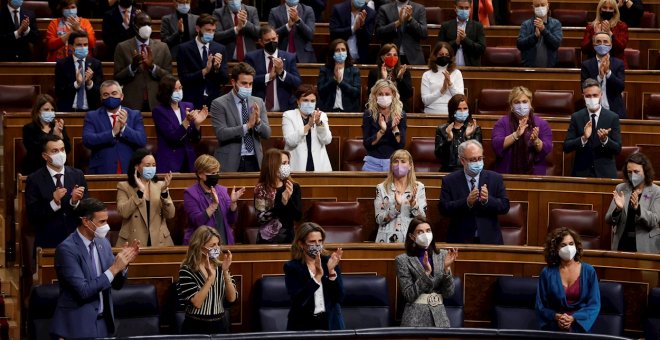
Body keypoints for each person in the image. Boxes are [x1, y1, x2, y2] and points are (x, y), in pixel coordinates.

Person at [50, 198, 139, 339]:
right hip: (76, 327)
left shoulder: (103, 243)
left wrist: (123, 266)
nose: (107, 226)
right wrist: (115, 268)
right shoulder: (66, 250)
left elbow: (116, 284)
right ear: (86, 221)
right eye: (102, 222)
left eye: (107, 220)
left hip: (104, 325)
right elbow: (83, 291)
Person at [439, 140, 510, 244]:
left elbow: (505, 206)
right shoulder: (449, 180)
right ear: (462, 160)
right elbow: (443, 209)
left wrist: (487, 200)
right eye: (473, 160)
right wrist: (466, 202)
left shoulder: (495, 178)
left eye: (480, 158)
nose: (477, 162)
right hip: (460, 240)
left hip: (490, 240)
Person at [25, 134, 87, 250]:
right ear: (45, 156)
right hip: (48, 241)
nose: (60, 154)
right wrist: (54, 202)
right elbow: (33, 216)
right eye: (55, 151)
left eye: (62, 150)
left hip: (76, 240)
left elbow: (87, 209)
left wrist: (74, 202)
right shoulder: (34, 180)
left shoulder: (77, 175)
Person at [536, 227, 601, 332]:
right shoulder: (547, 273)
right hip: (554, 325)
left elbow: (594, 304)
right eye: (563, 245)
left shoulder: (589, 271)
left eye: (571, 244)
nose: (568, 248)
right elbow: (541, 306)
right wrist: (557, 317)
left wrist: (573, 318)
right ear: (556, 249)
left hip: (580, 325)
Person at [395, 218, 458, 327]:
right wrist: (426, 273)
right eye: (420, 232)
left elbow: (449, 293)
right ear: (412, 236)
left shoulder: (442, 255)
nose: (425, 235)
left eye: (428, 231)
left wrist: (446, 269)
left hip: (439, 318)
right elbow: (409, 295)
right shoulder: (403, 260)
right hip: (414, 318)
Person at [210, 62, 271, 172]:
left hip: (255, 161)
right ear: (233, 82)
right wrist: (247, 126)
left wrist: (257, 122)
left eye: (250, 84)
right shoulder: (219, 103)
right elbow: (221, 133)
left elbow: (267, 134)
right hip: (229, 161)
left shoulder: (258, 102)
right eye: (244, 83)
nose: (248, 87)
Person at [284, 222, 345, 330]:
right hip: (303, 325)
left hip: (331, 324)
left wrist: (331, 272)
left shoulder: (330, 262)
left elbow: (339, 297)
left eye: (320, 241)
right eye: (312, 241)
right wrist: (317, 276)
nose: (317, 245)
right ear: (301, 244)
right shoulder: (292, 267)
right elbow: (298, 300)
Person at [177, 226, 237, 334]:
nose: (217, 248)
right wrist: (210, 279)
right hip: (196, 326)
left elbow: (232, 298)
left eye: (218, 244)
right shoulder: (187, 270)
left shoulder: (221, 267)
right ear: (199, 246)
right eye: (212, 245)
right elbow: (196, 303)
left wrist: (225, 271)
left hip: (220, 325)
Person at [82, 80, 147, 174]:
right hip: (102, 170)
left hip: (130, 170)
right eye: (106, 94)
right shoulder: (92, 116)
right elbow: (88, 140)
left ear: (121, 96)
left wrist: (124, 128)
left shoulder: (134, 115)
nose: (110, 97)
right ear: (101, 98)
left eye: (114, 93)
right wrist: (113, 132)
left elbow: (142, 140)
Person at [563, 78, 621, 178]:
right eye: (588, 96)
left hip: (605, 174)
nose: (592, 98)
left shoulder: (612, 117)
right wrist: (584, 138)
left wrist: (605, 140)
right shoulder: (577, 117)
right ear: (583, 97)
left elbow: (617, 149)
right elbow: (566, 147)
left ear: (601, 95)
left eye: (595, 95)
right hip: (582, 173)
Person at [114, 12, 173, 112]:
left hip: (156, 101)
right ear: (135, 26)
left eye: (149, 24)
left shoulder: (163, 47)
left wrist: (152, 67)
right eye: (142, 24)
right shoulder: (122, 47)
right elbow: (117, 77)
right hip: (132, 102)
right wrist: (132, 67)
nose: (146, 27)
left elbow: (169, 77)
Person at [116, 149, 175, 247]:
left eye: (154, 165)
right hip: (133, 241)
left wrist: (164, 193)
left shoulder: (161, 185)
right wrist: (140, 192)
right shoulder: (124, 186)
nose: (151, 168)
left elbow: (170, 214)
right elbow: (124, 212)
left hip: (159, 241)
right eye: (147, 165)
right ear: (137, 167)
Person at [184, 155, 245, 245]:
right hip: (201, 244)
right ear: (200, 174)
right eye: (212, 173)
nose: (216, 176)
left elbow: (232, 220)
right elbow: (197, 221)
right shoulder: (191, 194)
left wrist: (233, 203)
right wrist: (213, 205)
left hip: (224, 241)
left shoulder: (222, 190)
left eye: (217, 173)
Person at [605, 153, 660, 253]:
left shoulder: (656, 191)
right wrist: (618, 210)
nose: (633, 176)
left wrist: (638, 209)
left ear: (645, 171)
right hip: (622, 243)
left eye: (636, 172)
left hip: (646, 246)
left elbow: (654, 220)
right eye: (629, 172)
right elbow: (609, 220)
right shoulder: (620, 188)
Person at [492, 86, 553, 175]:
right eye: (517, 102)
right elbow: (496, 144)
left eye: (524, 102)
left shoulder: (542, 124)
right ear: (511, 105)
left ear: (530, 103)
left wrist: (536, 141)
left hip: (535, 173)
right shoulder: (502, 123)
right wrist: (515, 135)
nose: (521, 105)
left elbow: (546, 148)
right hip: (507, 172)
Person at [153, 75, 206, 173]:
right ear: (166, 92)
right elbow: (173, 138)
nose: (179, 92)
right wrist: (186, 121)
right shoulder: (159, 111)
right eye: (175, 89)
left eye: (180, 88)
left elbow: (195, 139)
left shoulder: (188, 106)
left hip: (188, 160)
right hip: (170, 161)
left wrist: (197, 125)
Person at [245, 24, 302, 112]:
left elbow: (297, 82)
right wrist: (268, 77)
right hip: (259, 109)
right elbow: (248, 80)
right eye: (267, 40)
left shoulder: (289, 57)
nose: (271, 42)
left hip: (284, 109)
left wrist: (282, 73)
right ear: (261, 41)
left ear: (277, 38)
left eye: (273, 39)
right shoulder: (251, 57)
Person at [375, 149, 427, 243]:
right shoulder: (382, 188)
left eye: (403, 161)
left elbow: (422, 218)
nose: (399, 165)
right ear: (391, 166)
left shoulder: (419, 187)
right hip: (387, 240)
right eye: (396, 161)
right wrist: (396, 208)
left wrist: (413, 204)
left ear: (410, 166)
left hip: (411, 239)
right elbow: (379, 219)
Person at [177, 14, 229, 108]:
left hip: (214, 100)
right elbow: (183, 78)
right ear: (198, 29)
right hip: (192, 99)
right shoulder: (184, 49)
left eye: (213, 31)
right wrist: (204, 71)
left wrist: (217, 69)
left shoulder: (220, 49)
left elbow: (224, 80)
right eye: (207, 30)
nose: (210, 33)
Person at [254, 149, 302, 244]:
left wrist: (289, 200)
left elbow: (298, 216)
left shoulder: (294, 186)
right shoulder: (261, 189)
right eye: (283, 163)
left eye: (288, 163)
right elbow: (261, 218)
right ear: (273, 165)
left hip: (289, 239)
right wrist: (282, 203)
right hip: (267, 240)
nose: (287, 166)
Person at [282, 85, 333, 172]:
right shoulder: (288, 115)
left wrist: (319, 124)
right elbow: (290, 141)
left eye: (312, 101)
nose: (309, 104)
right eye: (305, 100)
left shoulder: (321, 115)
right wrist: (308, 125)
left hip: (320, 168)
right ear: (298, 101)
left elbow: (327, 140)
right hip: (296, 167)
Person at [362, 79, 407, 171]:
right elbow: (367, 144)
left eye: (387, 94)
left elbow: (401, 144)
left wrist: (395, 128)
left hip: (393, 163)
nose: (384, 97)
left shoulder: (400, 115)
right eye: (380, 94)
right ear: (375, 95)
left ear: (393, 95)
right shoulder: (369, 114)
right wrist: (382, 131)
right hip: (372, 163)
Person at [22, 95, 72, 176]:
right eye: (46, 109)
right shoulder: (29, 129)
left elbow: (68, 149)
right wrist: (54, 136)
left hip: (58, 168)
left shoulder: (58, 126)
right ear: (38, 111)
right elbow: (34, 150)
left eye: (52, 110)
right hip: (37, 168)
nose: (50, 112)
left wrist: (60, 136)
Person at [54, 30, 103, 113]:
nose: (83, 47)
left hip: (91, 112)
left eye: (85, 45)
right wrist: (76, 84)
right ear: (70, 47)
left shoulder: (96, 64)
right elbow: (60, 92)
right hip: (69, 111)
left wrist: (89, 83)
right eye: (79, 45)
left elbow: (100, 93)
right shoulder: (62, 64)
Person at [580, 31, 626, 118]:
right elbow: (584, 89)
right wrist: (600, 77)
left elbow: (620, 87)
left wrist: (608, 72)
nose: (602, 44)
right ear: (594, 45)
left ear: (611, 45)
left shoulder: (618, 63)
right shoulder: (586, 65)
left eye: (605, 41)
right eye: (598, 42)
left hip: (614, 111)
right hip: (592, 112)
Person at [434, 94, 481, 173]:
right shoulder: (442, 130)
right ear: (452, 111)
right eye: (459, 109)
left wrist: (468, 137)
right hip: (448, 171)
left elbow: (476, 156)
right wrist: (449, 139)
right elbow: (440, 156)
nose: (462, 111)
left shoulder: (475, 129)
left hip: (469, 170)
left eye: (465, 108)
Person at [374, 0, 428, 65]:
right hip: (389, 57)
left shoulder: (419, 8)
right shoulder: (384, 9)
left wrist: (410, 19)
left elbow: (424, 33)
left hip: (414, 58)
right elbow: (378, 33)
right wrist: (398, 22)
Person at [317, 38, 361, 112]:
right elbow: (321, 92)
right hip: (328, 110)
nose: (340, 52)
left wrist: (341, 83)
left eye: (343, 50)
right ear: (332, 53)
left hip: (349, 111)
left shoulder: (354, 70)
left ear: (347, 52)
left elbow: (356, 93)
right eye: (337, 50)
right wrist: (334, 80)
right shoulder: (324, 70)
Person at [438, 0, 486, 67]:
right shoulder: (446, 26)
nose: (464, 10)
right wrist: (456, 42)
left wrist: (465, 39)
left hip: (471, 68)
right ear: (455, 8)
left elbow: (481, 49)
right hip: (449, 67)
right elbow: (439, 48)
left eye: (466, 8)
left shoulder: (478, 26)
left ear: (470, 9)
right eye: (461, 8)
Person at [580, 0, 628, 67]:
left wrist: (610, 33)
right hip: (595, 64)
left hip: (616, 65)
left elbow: (621, 47)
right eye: (604, 8)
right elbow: (584, 49)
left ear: (614, 11)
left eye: (611, 8)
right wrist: (594, 36)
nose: (607, 10)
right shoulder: (591, 27)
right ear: (600, 10)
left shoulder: (621, 26)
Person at [516, 0, 563, 68]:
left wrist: (543, 30)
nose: (540, 8)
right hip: (529, 69)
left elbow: (556, 44)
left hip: (550, 69)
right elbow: (520, 44)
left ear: (548, 6)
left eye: (542, 5)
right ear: (533, 8)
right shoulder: (526, 24)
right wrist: (534, 36)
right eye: (537, 6)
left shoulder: (556, 24)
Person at [421, 42, 464, 114]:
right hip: (431, 113)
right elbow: (425, 101)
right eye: (441, 55)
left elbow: (461, 99)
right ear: (435, 56)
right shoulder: (427, 75)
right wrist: (441, 91)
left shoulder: (457, 73)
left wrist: (450, 84)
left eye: (447, 55)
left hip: (452, 113)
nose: (444, 57)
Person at [367, 44, 412, 112]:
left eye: (395, 55)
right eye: (388, 55)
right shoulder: (374, 73)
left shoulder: (404, 72)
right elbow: (371, 94)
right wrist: (384, 79)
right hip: (378, 108)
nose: (392, 57)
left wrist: (399, 79)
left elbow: (408, 95)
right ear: (382, 57)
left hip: (399, 108)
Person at [329, 0, 376, 64]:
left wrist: (361, 27)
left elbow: (368, 39)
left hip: (360, 60)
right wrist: (353, 29)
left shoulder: (370, 13)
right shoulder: (338, 9)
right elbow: (334, 33)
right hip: (339, 58)